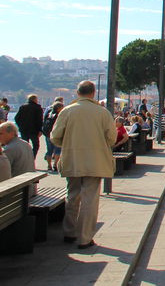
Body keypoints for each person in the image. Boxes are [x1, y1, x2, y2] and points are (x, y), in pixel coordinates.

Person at [50, 81, 116, 249]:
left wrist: (68, 142)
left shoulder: (66, 111)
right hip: (95, 161)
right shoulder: (102, 113)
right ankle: (85, 238)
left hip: (72, 159)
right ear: (93, 93)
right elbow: (111, 138)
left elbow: (55, 137)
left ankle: (69, 232)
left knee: (72, 196)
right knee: (90, 200)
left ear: (77, 93)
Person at [15, 94, 43, 160]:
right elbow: (39, 120)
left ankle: (25, 159)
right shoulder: (38, 108)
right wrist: (40, 130)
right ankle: (32, 159)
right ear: (34, 100)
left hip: (24, 130)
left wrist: (20, 126)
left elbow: (16, 118)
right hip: (34, 130)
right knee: (36, 145)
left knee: (25, 146)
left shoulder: (22, 107)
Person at [43, 101, 65, 172]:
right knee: (57, 150)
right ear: (59, 108)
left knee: (49, 150)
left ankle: (49, 165)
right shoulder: (60, 114)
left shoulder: (49, 113)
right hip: (56, 134)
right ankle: (55, 165)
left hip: (47, 134)